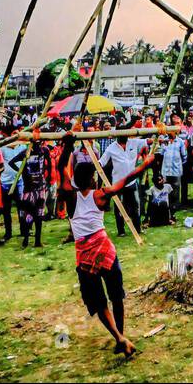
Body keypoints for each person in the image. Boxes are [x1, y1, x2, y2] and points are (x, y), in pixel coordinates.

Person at [66, 148, 155, 358]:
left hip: (85, 256)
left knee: (99, 302)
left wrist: (66, 148)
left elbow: (62, 171)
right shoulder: (101, 195)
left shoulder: (70, 198)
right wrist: (145, 164)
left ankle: (119, 338)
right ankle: (121, 337)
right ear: (91, 179)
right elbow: (126, 179)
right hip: (105, 250)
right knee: (116, 297)